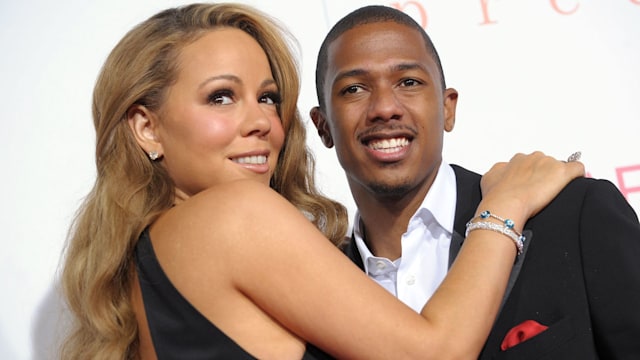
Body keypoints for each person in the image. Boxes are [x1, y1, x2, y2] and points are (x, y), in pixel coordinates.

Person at [59, 3, 583, 360]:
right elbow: (433, 352)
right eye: (221, 96)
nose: (261, 120)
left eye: (267, 97)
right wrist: (505, 205)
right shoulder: (230, 215)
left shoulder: (152, 261)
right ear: (146, 126)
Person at [309, 5, 640, 359]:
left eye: (408, 82)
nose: (385, 107)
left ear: (447, 107)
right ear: (323, 126)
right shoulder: (313, 300)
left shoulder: (573, 216)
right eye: (355, 89)